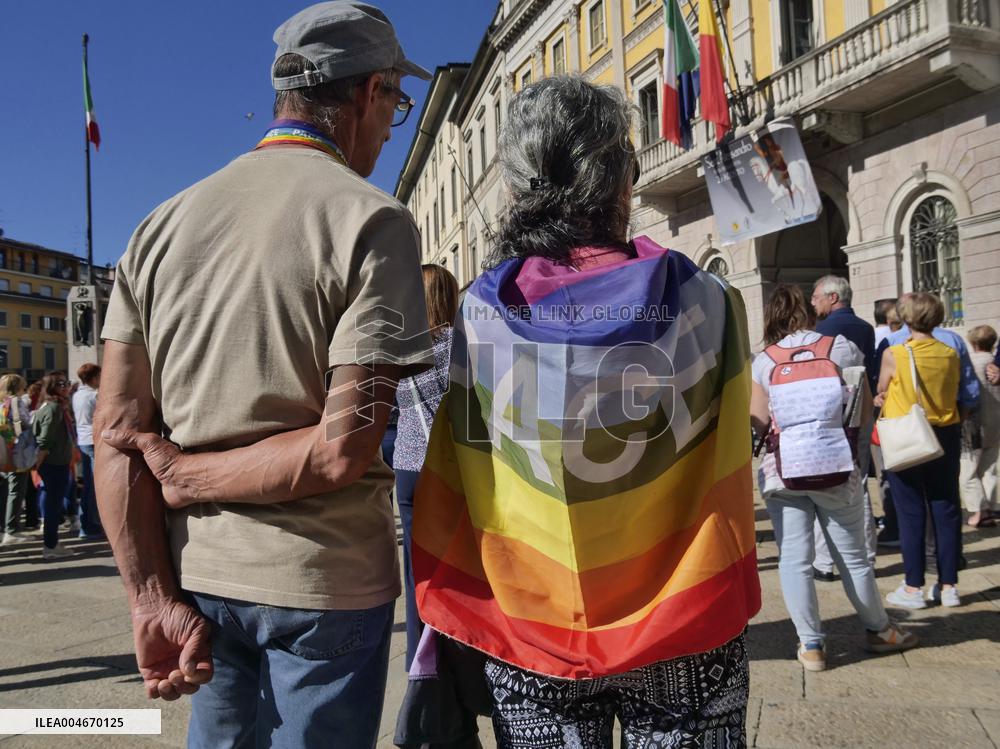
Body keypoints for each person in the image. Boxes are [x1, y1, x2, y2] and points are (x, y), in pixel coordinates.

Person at [96, 3, 434, 746]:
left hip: (203, 578)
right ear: (369, 90)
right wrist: (189, 476)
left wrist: (149, 596)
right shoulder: (371, 220)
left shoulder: (159, 227)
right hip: (325, 582)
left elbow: (116, 433)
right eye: (395, 106)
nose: (388, 126)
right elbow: (344, 446)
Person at [412, 77, 760, 747]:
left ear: (517, 188)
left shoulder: (484, 315)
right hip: (685, 619)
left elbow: (462, 469)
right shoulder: (709, 300)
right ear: (622, 180)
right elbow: (731, 447)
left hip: (533, 623)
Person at [751, 284, 917, 673]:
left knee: (794, 560)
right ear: (808, 315)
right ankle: (879, 630)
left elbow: (757, 424)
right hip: (835, 467)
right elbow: (858, 409)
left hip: (783, 472)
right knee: (853, 558)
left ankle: (811, 646)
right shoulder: (839, 347)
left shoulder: (763, 362)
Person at [877, 292, 965, 609]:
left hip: (909, 435)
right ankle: (949, 584)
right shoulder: (950, 352)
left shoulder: (895, 353)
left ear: (907, 318)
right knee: (946, 507)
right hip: (945, 432)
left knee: (911, 510)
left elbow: (882, 390)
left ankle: (913, 586)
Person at [393, 264, 458, 671]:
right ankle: (458, 654)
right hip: (448, 468)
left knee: (417, 573)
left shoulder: (399, 348)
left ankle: (420, 667)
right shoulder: (462, 345)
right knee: (458, 566)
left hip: (407, 470)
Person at [810, 276, 878, 580]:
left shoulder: (823, 332)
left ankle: (825, 560)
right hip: (861, 413)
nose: (813, 303)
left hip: (832, 415)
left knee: (825, 485)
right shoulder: (865, 328)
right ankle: (867, 555)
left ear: (833, 297)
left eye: (816, 297)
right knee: (859, 482)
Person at [32, 371, 76, 560]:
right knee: (53, 505)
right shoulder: (53, 408)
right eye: (61, 384)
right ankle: (50, 546)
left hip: (54, 462)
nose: (66, 387)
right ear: (51, 387)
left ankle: (52, 542)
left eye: (66, 383)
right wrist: (37, 464)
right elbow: (45, 439)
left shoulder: (51, 406)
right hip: (53, 463)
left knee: (52, 503)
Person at [961, 325, 999, 527]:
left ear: (973, 343)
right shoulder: (995, 364)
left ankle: (978, 510)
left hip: (974, 425)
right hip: (995, 422)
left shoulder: (971, 363)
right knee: (990, 468)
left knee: (968, 470)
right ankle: (991, 506)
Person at [0, 374, 32, 545]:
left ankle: (7, 528)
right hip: (18, 451)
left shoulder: (1, 402)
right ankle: (11, 530)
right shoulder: (17, 402)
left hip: (5, 449)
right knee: (17, 491)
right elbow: (25, 423)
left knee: (8, 490)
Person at [72, 364, 103, 539]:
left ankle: (87, 523)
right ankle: (89, 525)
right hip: (93, 440)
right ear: (93, 378)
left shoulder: (77, 395)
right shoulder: (94, 395)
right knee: (94, 486)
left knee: (88, 485)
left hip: (83, 440)